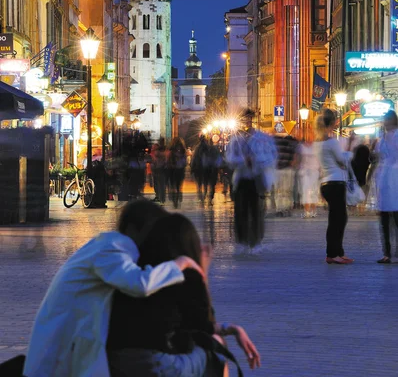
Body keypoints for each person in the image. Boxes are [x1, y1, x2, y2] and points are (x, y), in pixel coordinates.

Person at [23, 200, 203, 377]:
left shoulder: (107, 245)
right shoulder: (113, 247)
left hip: (72, 338)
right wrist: (179, 264)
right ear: (133, 229)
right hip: (64, 342)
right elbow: (139, 283)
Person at [107, 213, 261, 376]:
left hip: (116, 362)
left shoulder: (138, 273)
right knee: (216, 346)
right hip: (155, 366)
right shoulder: (185, 274)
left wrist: (233, 329)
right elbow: (205, 328)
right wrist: (203, 273)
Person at [226, 108, 277, 250]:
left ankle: (256, 242)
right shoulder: (235, 139)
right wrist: (243, 161)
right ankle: (241, 241)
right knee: (240, 211)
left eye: (249, 119)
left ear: (252, 120)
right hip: (241, 178)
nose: (247, 122)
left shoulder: (262, 138)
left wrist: (256, 160)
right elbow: (229, 159)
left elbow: (271, 157)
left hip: (257, 178)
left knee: (256, 211)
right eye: (244, 119)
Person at [315, 109, 355, 265]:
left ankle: (337, 252)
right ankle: (333, 253)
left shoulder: (318, 142)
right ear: (332, 123)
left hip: (326, 183)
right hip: (336, 182)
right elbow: (342, 160)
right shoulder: (331, 142)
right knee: (338, 220)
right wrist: (350, 146)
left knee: (337, 219)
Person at [374, 110, 398, 263]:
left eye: (387, 120)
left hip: (395, 177)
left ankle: (395, 252)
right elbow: (378, 156)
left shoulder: (396, 136)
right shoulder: (381, 138)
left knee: (396, 218)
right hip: (383, 179)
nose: (385, 123)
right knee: (383, 219)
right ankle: (387, 252)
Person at [297, 140, 320, 218]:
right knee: (305, 191)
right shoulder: (301, 146)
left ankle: (313, 211)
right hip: (305, 172)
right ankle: (307, 211)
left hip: (314, 171)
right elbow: (298, 158)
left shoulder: (317, 146)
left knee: (314, 191)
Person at [168, 137, 187, 208]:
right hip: (179, 170)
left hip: (173, 170)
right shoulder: (183, 151)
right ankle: (177, 196)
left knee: (174, 185)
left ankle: (175, 198)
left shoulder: (171, 152)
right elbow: (185, 162)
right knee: (178, 185)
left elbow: (169, 161)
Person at [191, 136, 209, 202]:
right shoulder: (208, 147)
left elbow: (194, 158)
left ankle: (200, 196)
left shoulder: (197, 148)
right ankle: (204, 195)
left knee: (199, 183)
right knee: (205, 182)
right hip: (206, 168)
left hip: (198, 167)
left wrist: (192, 168)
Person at [151, 137, 167, 204]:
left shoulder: (157, 151)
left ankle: (160, 197)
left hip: (158, 169)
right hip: (161, 169)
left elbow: (155, 160)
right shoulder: (165, 151)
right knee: (161, 185)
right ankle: (161, 198)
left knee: (158, 185)